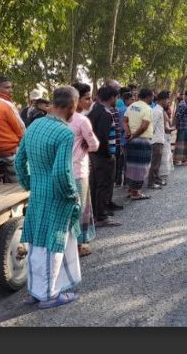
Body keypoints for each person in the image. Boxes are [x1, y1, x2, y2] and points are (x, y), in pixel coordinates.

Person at [15, 86, 82, 309]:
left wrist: (30, 184)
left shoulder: (35, 125)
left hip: (38, 192)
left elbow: (19, 160)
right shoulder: (64, 133)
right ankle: (50, 295)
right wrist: (73, 195)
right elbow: (62, 173)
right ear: (72, 106)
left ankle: (35, 292)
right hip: (57, 196)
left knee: (36, 242)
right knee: (55, 242)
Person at [70, 83, 100, 257]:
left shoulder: (53, 119)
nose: (90, 101)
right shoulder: (82, 120)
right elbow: (94, 145)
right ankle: (80, 244)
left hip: (59, 171)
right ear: (76, 100)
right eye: (87, 98)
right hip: (78, 171)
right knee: (81, 208)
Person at [87, 85, 123, 227]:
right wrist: (109, 154)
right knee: (104, 185)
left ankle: (96, 214)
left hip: (94, 154)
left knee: (96, 184)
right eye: (116, 97)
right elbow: (102, 136)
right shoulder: (105, 114)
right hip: (103, 156)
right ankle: (101, 216)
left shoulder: (94, 111)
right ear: (112, 97)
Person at [123, 88, 154, 200]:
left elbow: (124, 121)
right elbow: (144, 126)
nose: (153, 98)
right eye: (152, 96)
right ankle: (136, 193)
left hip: (131, 141)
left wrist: (128, 133)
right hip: (142, 141)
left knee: (131, 166)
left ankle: (131, 190)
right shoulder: (148, 109)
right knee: (141, 167)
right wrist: (134, 135)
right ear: (148, 96)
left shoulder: (131, 106)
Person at [147, 90, 170, 189]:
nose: (168, 102)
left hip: (160, 139)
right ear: (163, 100)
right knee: (155, 163)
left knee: (157, 162)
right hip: (156, 140)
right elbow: (152, 126)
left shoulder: (159, 110)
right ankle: (151, 183)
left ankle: (156, 179)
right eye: (167, 100)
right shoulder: (156, 111)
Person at [115, 90, 134, 188]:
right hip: (125, 139)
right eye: (132, 99)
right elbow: (124, 125)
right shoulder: (126, 110)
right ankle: (126, 182)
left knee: (120, 161)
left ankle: (118, 181)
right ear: (126, 100)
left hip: (119, 139)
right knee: (126, 162)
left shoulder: (119, 108)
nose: (133, 101)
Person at [173, 90, 187, 166]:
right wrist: (176, 126)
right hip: (183, 127)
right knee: (181, 143)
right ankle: (177, 160)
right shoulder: (183, 104)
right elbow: (178, 116)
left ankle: (184, 160)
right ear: (185, 96)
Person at [159, 99, 175, 186]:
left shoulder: (163, 112)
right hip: (164, 136)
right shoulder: (162, 112)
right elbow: (166, 128)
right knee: (164, 157)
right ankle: (161, 177)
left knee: (166, 156)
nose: (168, 104)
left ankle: (162, 176)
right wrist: (174, 128)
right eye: (167, 102)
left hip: (166, 137)